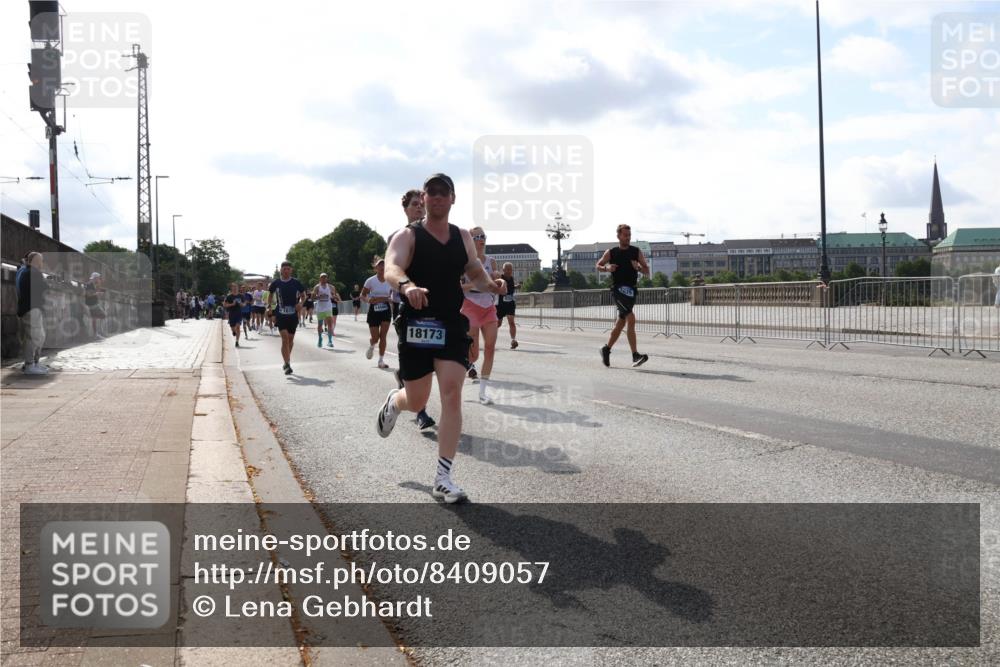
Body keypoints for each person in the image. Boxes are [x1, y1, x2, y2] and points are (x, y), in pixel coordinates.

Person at [377, 173, 507, 503]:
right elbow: (391, 268)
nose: (436, 197)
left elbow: (475, 271)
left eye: (442, 192)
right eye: (431, 192)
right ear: (424, 197)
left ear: (452, 198)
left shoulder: (461, 236)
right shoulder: (408, 235)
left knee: (451, 393)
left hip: (450, 323)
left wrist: (491, 285)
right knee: (417, 400)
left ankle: (443, 477)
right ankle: (396, 400)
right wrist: (408, 287)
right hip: (417, 322)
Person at [596, 224, 649, 368]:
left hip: (631, 291)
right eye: (625, 235)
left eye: (629, 235)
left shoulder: (636, 252)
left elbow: (646, 270)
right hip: (618, 290)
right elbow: (598, 265)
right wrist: (607, 268)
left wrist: (637, 267)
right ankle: (635, 355)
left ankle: (606, 349)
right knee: (630, 318)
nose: (628, 238)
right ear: (618, 236)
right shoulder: (611, 252)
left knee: (621, 323)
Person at [461, 226, 501, 404]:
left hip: (488, 306)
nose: (481, 238)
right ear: (470, 240)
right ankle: (455, 382)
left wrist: (498, 281)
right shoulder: (464, 262)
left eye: (483, 235)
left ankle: (483, 392)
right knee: (473, 354)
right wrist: (475, 284)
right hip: (470, 305)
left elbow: (495, 283)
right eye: (477, 236)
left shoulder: (491, 261)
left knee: (491, 348)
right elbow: (458, 287)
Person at [267, 261, 306, 375]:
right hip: (281, 313)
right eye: (284, 269)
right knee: (284, 338)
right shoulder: (276, 283)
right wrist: (269, 307)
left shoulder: (296, 282)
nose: (286, 271)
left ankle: (286, 360)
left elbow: (304, 296)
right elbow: (270, 295)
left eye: (288, 269)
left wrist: (301, 304)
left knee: (290, 340)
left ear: (291, 270)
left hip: (293, 314)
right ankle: (287, 363)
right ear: (281, 270)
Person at [16, 252, 48, 375]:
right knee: (34, 338)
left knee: (35, 336)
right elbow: (45, 287)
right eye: (40, 261)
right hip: (32, 309)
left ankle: (32, 364)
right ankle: (30, 365)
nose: (42, 263)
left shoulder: (24, 271)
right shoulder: (32, 272)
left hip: (27, 308)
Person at [362, 258, 394, 369]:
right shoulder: (370, 281)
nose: (382, 267)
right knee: (375, 338)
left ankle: (381, 360)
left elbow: (392, 296)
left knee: (383, 336)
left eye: (384, 265)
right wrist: (368, 300)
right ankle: (372, 346)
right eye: (380, 265)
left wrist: (389, 299)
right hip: (373, 311)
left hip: (385, 310)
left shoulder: (390, 280)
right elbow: (362, 295)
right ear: (376, 268)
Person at [496, 262, 519, 349]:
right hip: (500, 304)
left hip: (510, 303)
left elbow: (510, 287)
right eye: (507, 269)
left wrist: (516, 286)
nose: (509, 271)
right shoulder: (500, 278)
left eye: (510, 269)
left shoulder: (512, 278)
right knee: (498, 324)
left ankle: (513, 340)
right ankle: (490, 338)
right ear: (503, 270)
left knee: (511, 322)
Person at [313, 273, 339, 348]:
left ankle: (330, 341)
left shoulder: (331, 287)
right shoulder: (317, 287)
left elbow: (334, 295)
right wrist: (318, 297)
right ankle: (320, 339)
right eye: (322, 277)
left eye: (325, 277)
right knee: (320, 324)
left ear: (327, 278)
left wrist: (335, 297)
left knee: (330, 324)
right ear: (320, 279)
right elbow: (313, 298)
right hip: (320, 308)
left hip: (328, 307)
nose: (324, 279)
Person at [84, 272, 107, 339]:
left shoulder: (92, 284)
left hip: (93, 303)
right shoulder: (89, 284)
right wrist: (97, 294)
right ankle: (97, 333)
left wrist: (98, 292)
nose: (99, 279)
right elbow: (88, 294)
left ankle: (96, 334)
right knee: (103, 315)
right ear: (95, 278)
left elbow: (92, 293)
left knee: (95, 319)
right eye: (98, 278)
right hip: (93, 304)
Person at [223, 283, 244, 347]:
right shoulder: (229, 296)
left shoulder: (241, 296)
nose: (235, 288)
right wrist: (232, 304)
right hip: (231, 314)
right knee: (232, 328)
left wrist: (241, 304)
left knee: (238, 327)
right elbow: (224, 305)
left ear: (238, 288)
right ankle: (233, 331)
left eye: (236, 287)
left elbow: (244, 304)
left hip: (239, 314)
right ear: (231, 288)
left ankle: (237, 341)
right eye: (233, 287)